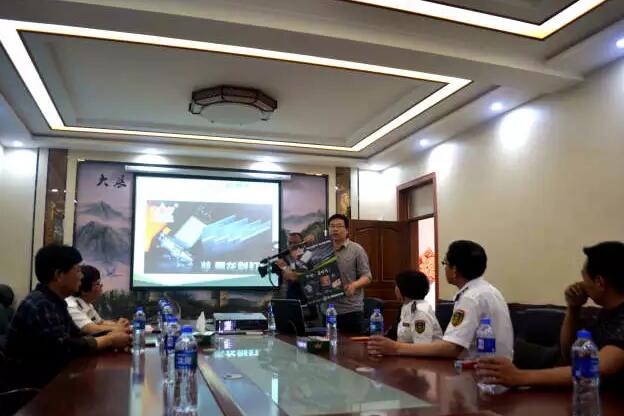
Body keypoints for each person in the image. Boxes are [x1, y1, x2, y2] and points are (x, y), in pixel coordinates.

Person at [477, 241, 624, 388]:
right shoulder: (608, 312)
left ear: (599, 283)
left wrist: (520, 377)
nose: (581, 284)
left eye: (585, 278)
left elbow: (598, 367)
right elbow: (570, 353)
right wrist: (573, 308)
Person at [4, 244, 131, 389]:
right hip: (32, 390)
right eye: (77, 270)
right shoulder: (41, 304)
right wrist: (110, 340)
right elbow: (64, 349)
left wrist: (113, 335)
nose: (81, 276)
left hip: (52, 380)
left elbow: (78, 336)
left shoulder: (55, 302)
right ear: (59, 275)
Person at [368, 240, 513, 359]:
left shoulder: (470, 298)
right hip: (492, 369)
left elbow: (452, 348)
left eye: (445, 264)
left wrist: (395, 348)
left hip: (479, 374)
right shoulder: (488, 290)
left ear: (454, 270)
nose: (444, 268)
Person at [326, 213, 372, 334]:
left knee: (351, 345)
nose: (335, 229)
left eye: (339, 226)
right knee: (328, 344)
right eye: (332, 226)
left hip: (351, 309)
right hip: (327, 310)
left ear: (347, 230)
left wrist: (354, 285)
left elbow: (367, 276)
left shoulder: (356, 249)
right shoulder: (323, 250)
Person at [65, 265, 130, 334]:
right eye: (97, 284)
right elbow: (91, 329)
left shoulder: (87, 304)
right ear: (84, 291)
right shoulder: (71, 306)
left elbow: (100, 323)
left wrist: (119, 324)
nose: (101, 285)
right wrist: (120, 328)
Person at [276, 232, 318, 320]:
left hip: (308, 303)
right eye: (290, 243)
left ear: (302, 243)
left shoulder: (309, 255)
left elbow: (295, 277)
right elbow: (284, 278)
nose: (292, 245)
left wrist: (285, 268)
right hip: (290, 301)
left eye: (295, 243)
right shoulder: (284, 257)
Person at [394, 270, 443, 344]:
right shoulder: (406, 307)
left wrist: (395, 347)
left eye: (397, 285)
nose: (395, 288)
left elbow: (422, 347)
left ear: (404, 289)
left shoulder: (420, 313)